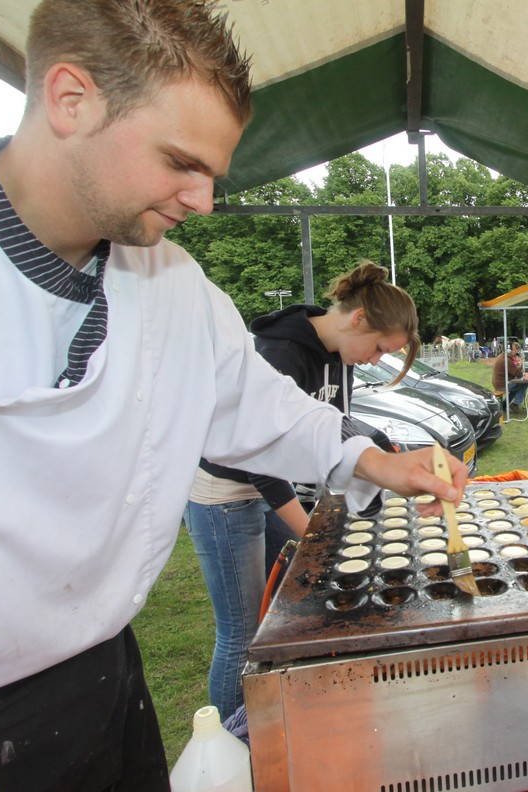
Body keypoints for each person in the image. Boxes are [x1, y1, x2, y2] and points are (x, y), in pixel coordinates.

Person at [0, 2, 467, 788]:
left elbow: (263, 408)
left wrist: (376, 461)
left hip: (105, 678)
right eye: (180, 162)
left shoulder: (174, 285)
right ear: (70, 99)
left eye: (213, 174)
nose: (202, 201)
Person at [185, 261, 419, 716]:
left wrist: (380, 446)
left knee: (288, 601)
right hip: (225, 495)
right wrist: (315, 535)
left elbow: (334, 423)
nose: (375, 361)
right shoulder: (281, 353)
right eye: (377, 349)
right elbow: (261, 465)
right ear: (358, 319)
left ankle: (277, 707)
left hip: (267, 492)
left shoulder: (339, 355)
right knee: (242, 629)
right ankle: (233, 734)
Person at [493, 340, 528, 410]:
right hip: (502, 385)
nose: (517, 351)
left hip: (500, 383)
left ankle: (505, 404)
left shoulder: (502, 357)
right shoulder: (506, 360)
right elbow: (518, 374)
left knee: (518, 387)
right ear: (509, 350)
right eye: (515, 350)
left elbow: (514, 371)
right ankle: (515, 404)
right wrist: (522, 363)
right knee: (524, 384)